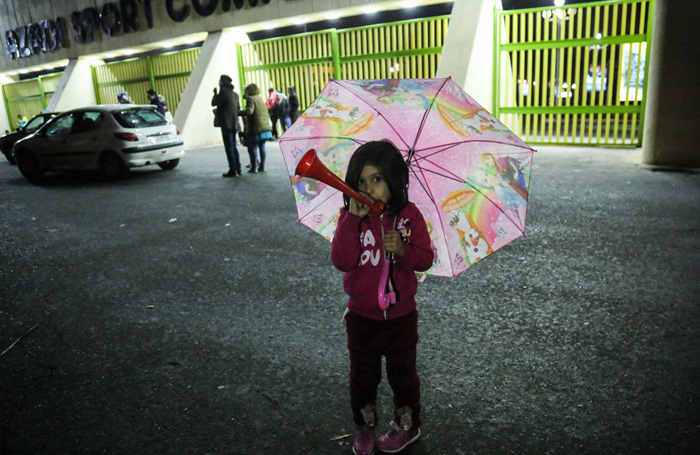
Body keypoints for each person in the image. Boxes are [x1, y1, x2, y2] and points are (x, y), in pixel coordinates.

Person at [330, 140, 434, 455]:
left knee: (403, 377)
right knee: (363, 379)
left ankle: (407, 426)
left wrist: (403, 250)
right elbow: (342, 261)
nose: (369, 188)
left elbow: (426, 259)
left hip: (401, 318)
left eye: (377, 179)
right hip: (361, 319)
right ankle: (364, 427)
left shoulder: (410, 216)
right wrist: (351, 219)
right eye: (361, 181)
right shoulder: (349, 218)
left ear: (394, 180)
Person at [211, 75, 242, 178]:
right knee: (234, 146)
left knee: (229, 147)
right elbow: (238, 108)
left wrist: (215, 94)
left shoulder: (223, 93)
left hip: (226, 124)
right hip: (234, 124)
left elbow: (213, 103)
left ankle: (232, 169)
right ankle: (238, 167)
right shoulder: (235, 95)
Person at [239, 84, 272, 173]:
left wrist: (238, 112)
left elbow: (249, 111)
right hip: (265, 127)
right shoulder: (260, 98)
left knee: (253, 147)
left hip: (256, 127)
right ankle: (262, 166)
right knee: (262, 147)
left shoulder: (251, 99)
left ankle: (253, 167)